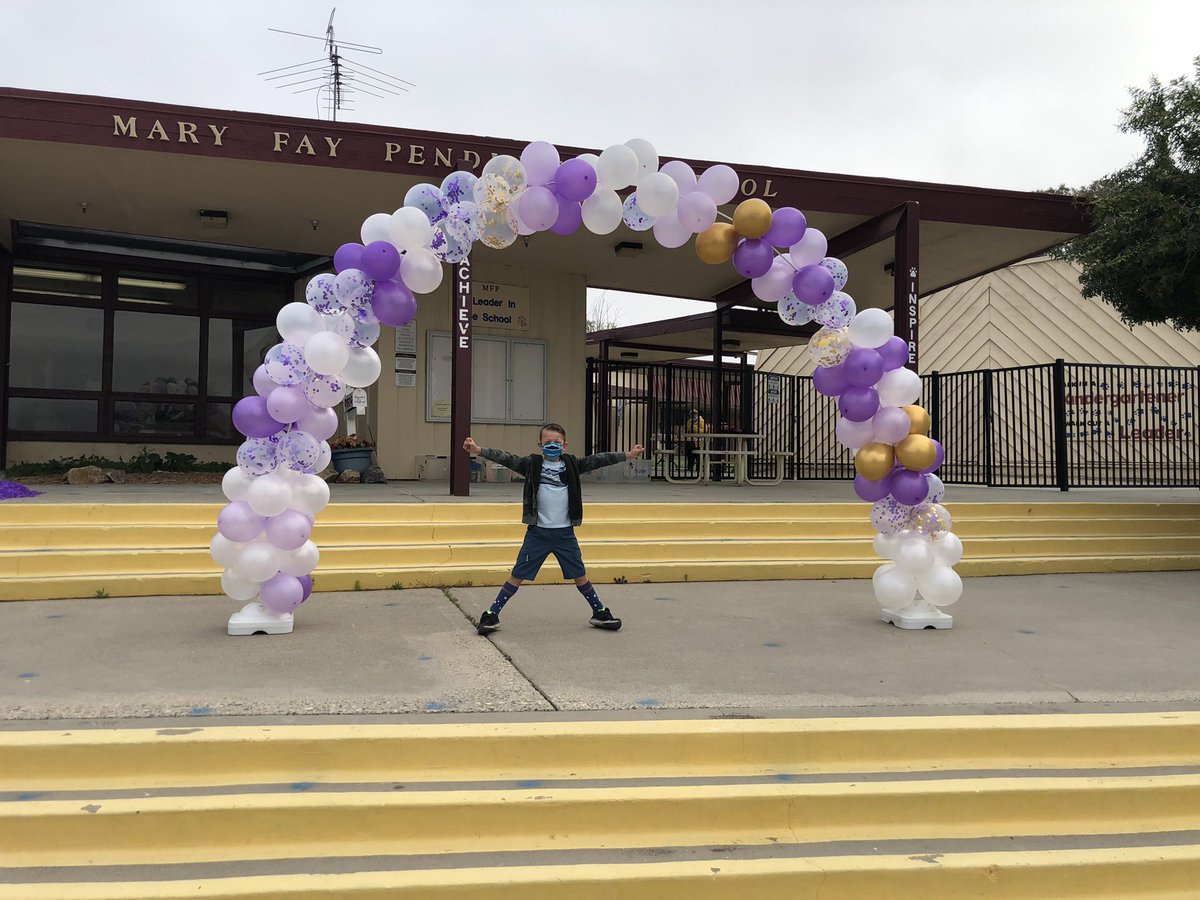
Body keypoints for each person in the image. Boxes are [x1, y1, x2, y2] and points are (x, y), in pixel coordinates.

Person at [463, 423, 644, 635]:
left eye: (557, 442)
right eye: (547, 442)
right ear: (540, 444)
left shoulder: (572, 465)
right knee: (518, 574)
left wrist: (628, 455)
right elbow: (506, 458)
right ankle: (491, 614)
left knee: (580, 574)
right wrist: (479, 450)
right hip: (538, 534)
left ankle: (599, 612)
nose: (552, 446)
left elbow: (599, 459)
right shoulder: (531, 465)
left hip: (565, 534)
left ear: (565, 445)